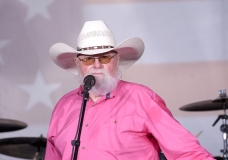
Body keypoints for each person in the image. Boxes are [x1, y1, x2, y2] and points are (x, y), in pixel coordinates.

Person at [45, 20, 214, 160]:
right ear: (78, 63)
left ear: (117, 60)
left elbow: (188, 152)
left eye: (105, 57)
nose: (97, 65)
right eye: (88, 59)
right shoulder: (63, 106)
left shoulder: (141, 98)